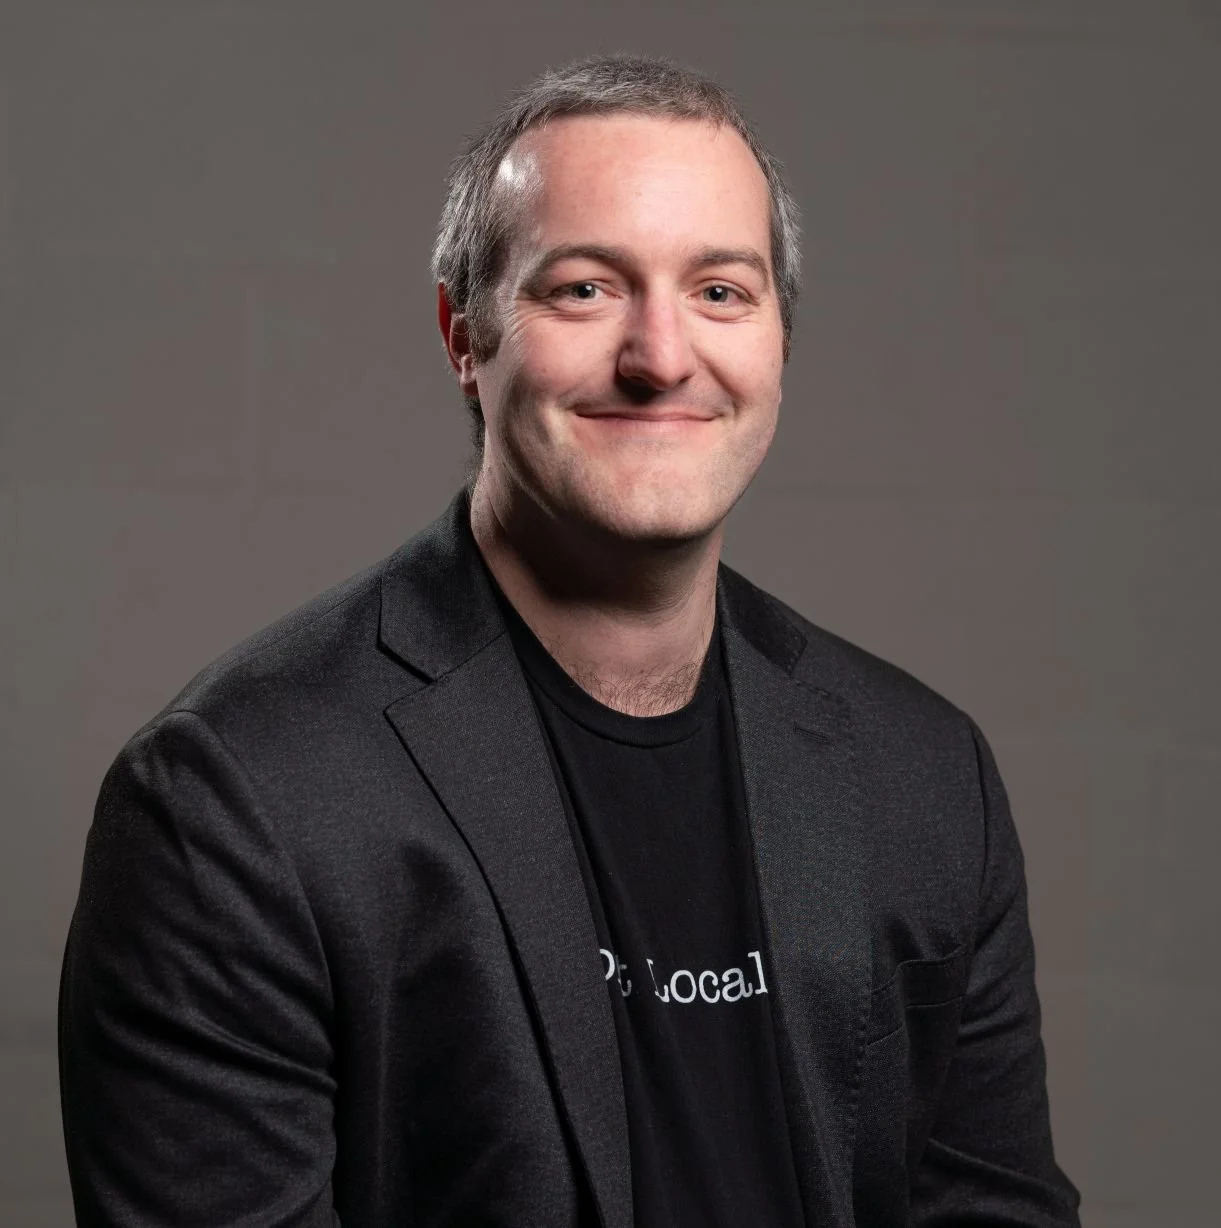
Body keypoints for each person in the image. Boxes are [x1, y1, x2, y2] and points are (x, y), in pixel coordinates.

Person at [58, 54, 1082, 1228]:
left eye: (721, 292)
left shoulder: (923, 773)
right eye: (587, 290)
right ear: (464, 335)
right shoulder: (237, 805)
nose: (660, 356)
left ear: (779, 345)